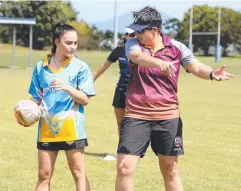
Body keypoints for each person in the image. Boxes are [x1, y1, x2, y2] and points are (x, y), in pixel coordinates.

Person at [115, 6, 233, 191]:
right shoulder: (134, 44)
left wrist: (211, 73)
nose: (136, 33)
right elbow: (137, 58)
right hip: (136, 115)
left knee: (170, 169)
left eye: (140, 30)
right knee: (124, 168)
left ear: (154, 29)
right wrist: (159, 62)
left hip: (168, 117)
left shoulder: (177, 47)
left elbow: (195, 67)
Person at [16, 23, 95, 191]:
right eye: (68, 43)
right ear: (57, 41)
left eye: (75, 43)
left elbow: (85, 99)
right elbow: (36, 97)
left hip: (72, 129)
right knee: (44, 174)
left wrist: (67, 87)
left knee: (78, 172)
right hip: (47, 130)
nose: (73, 47)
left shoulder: (81, 67)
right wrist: (26, 112)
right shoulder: (41, 67)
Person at [93, 28, 135, 134]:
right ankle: (122, 150)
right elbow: (104, 66)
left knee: (134, 123)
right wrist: (91, 80)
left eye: (133, 34)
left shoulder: (143, 52)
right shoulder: (118, 51)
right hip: (121, 90)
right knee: (120, 123)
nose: (131, 36)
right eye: (129, 34)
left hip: (137, 91)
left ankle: (134, 149)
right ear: (125, 36)